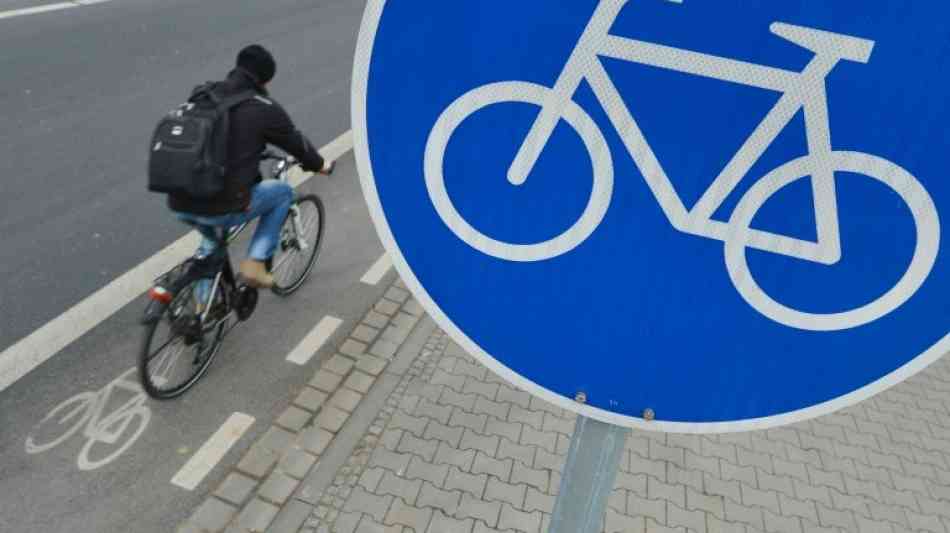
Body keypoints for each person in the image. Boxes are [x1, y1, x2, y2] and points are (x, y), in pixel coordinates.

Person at [169, 44, 333, 289]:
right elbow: (297, 145)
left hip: (179, 198)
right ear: (265, 80)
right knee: (283, 193)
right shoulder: (263, 108)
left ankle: (200, 306)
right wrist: (320, 165)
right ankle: (255, 263)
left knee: (211, 243)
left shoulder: (204, 93)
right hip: (220, 205)